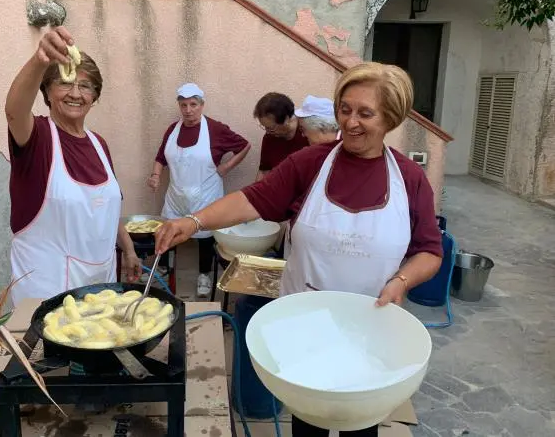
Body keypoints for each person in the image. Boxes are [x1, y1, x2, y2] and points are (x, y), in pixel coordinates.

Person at [155, 63, 443, 437]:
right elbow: (252, 200)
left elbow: (429, 251)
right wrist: (191, 222)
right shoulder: (310, 163)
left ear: (390, 117)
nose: (350, 122)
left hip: (371, 326)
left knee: (361, 423)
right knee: (309, 422)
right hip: (306, 326)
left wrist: (403, 280)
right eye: (345, 109)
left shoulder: (409, 179)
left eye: (365, 113)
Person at [5, 26, 141, 307]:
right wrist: (40, 60)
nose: (76, 93)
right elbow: (14, 110)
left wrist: (128, 249)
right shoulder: (37, 137)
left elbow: (106, 207)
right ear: (47, 90)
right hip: (47, 291)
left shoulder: (99, 144)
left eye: (86, 86)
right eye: (65, 83)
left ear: (95, 96)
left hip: (101, 286)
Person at [147, 83, 251, 297]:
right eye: (183, 105)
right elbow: (160, 157)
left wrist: (225, 167)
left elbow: (244, 145)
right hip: (176, 195)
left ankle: (204, 275)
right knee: (169, 231)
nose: (188, 110)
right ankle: (165, 269)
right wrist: (156, 175)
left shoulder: (215, 129)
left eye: (193, 104)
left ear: (202, 105)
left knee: (205, 236)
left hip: (206, 195)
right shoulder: (172, 130)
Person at [253, 92, 309, 182]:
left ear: (286, 119)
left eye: (271, 128)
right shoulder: (269, 138)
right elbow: (264, 171)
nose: (267, 131)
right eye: (264, 127)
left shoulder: (309, 134)